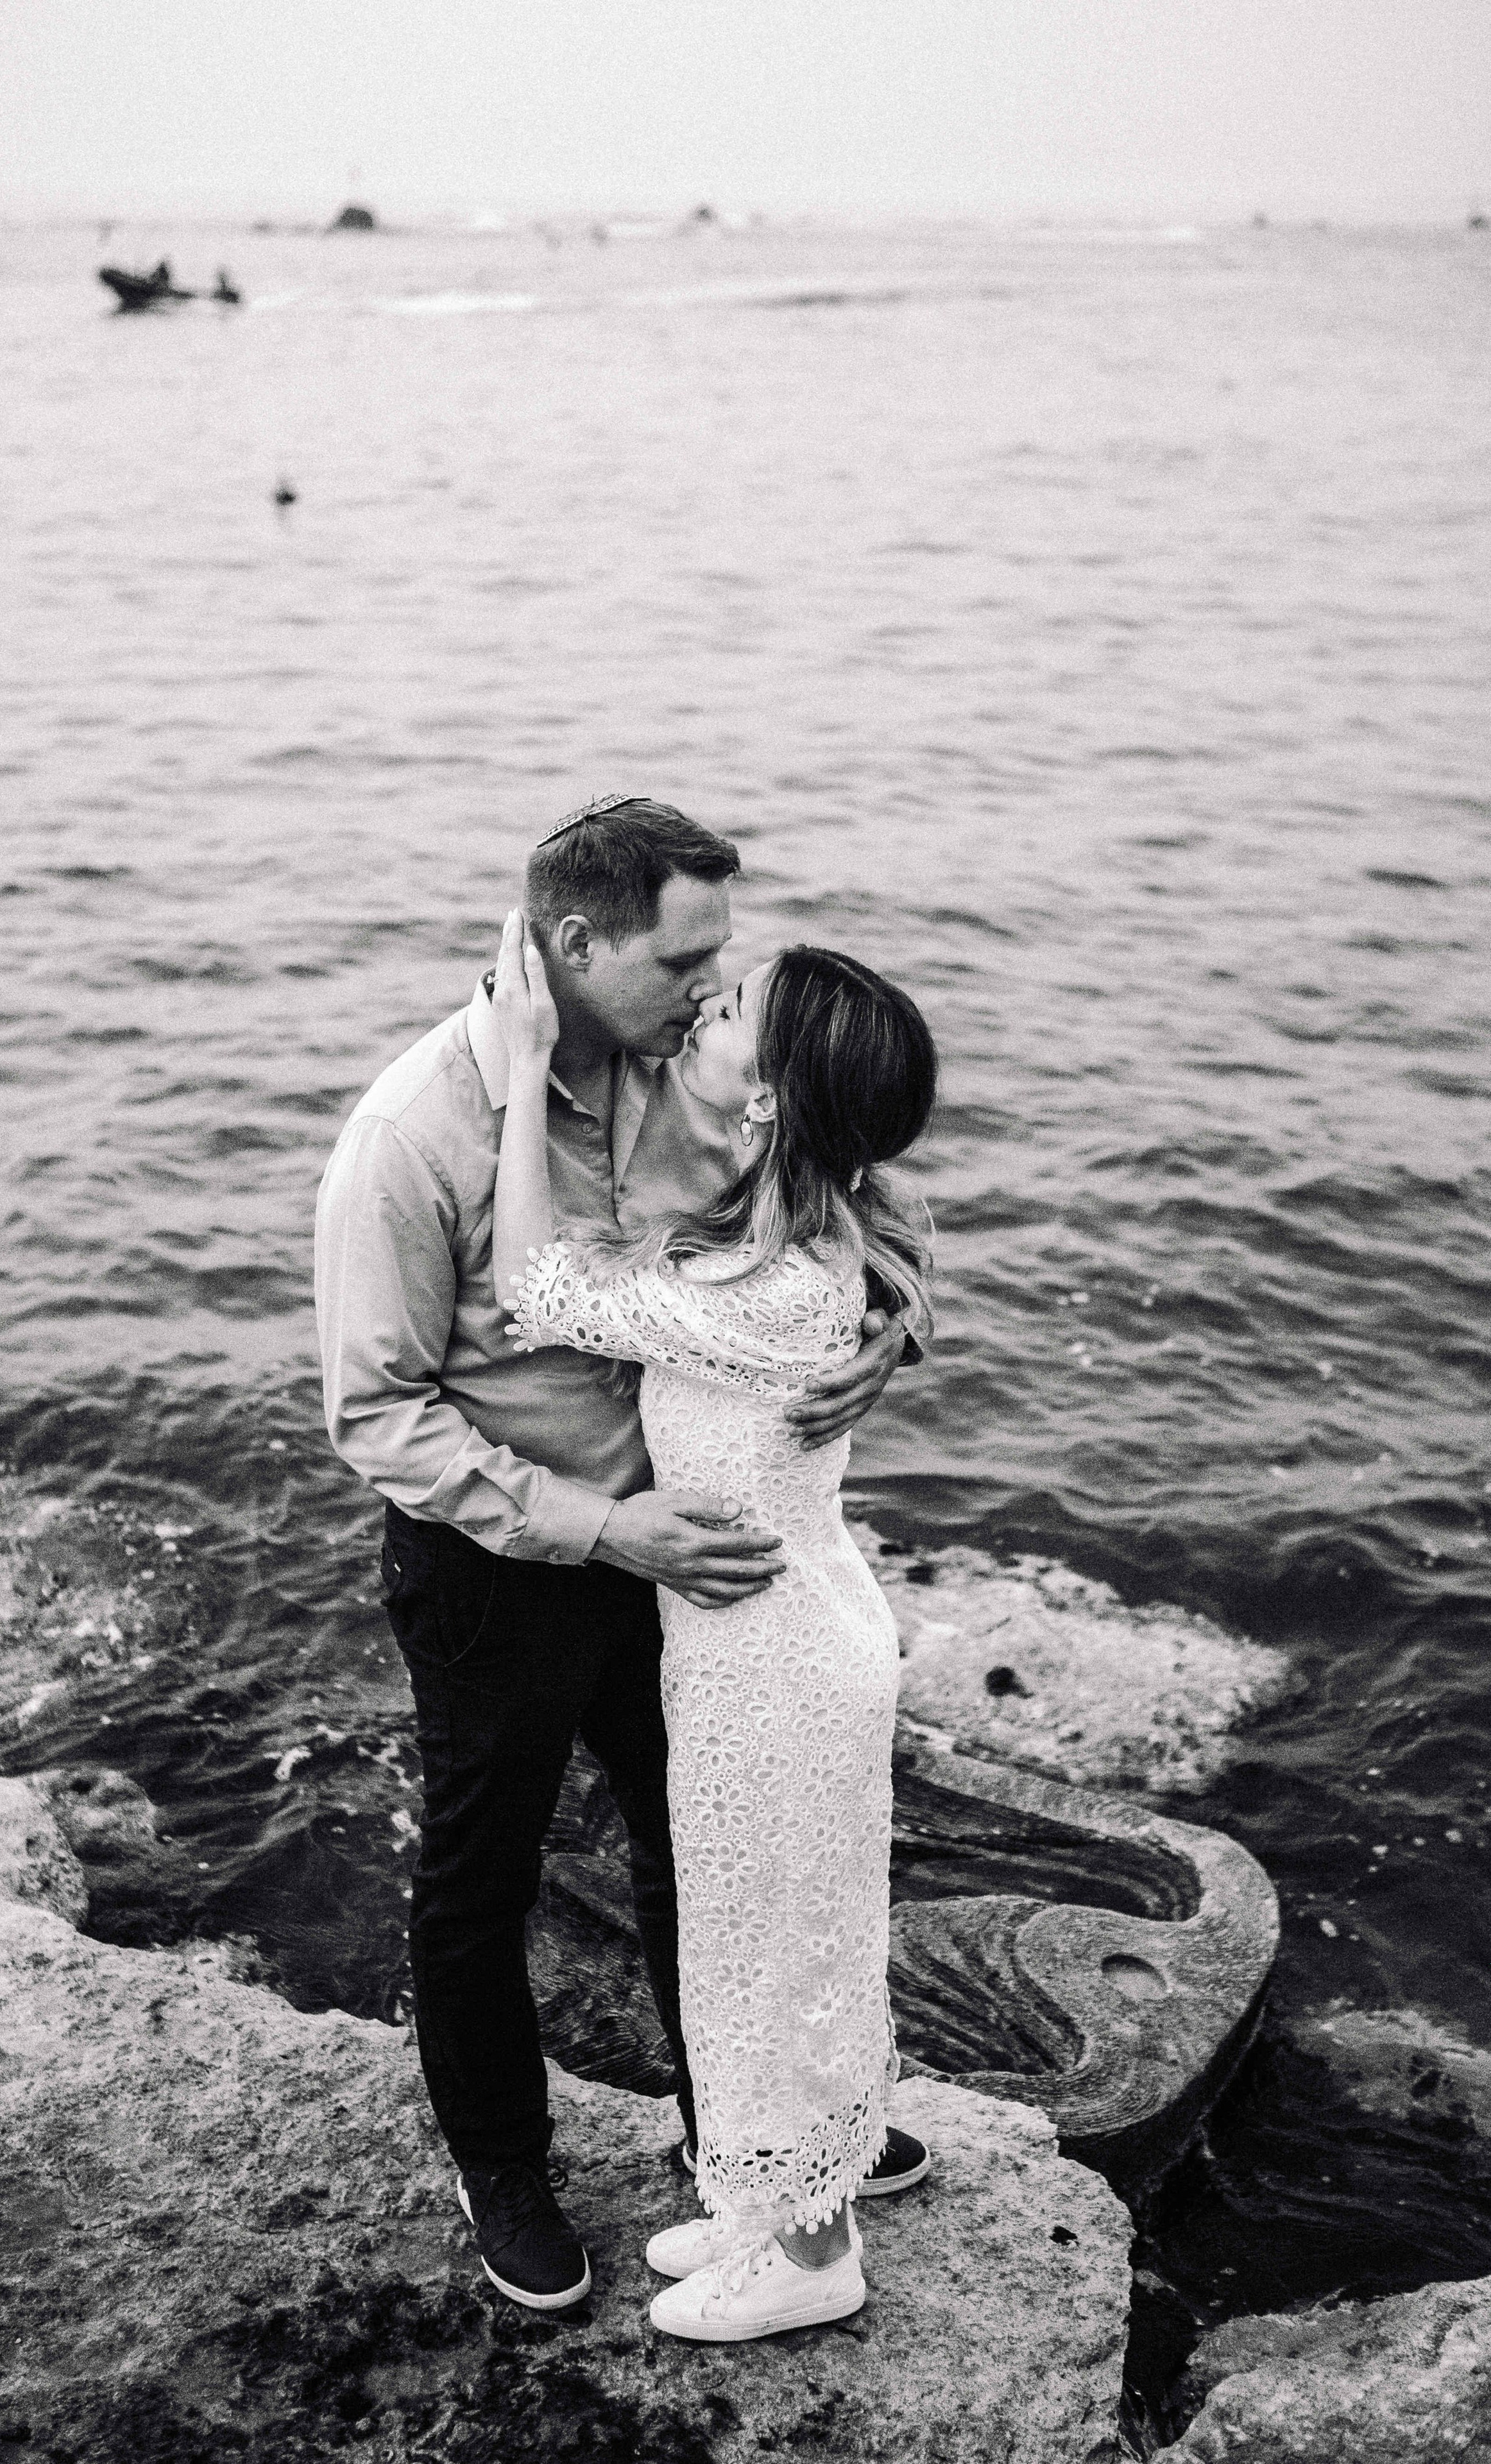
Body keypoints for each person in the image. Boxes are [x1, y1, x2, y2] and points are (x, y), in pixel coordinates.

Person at [314, 796, 923, 2316]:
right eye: (686, 962)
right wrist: (597, 1524)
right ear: (573, 945)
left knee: (698, 1856)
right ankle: (501, 2165)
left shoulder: (692, 1072)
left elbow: (854, 1180)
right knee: (483, 1872)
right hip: (505, 1562)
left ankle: (760, 2151)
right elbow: (374, 1413)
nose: (714, 992)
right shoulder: (410, 1135)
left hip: (690, 1566)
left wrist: (891, 1329)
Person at [489, 910, 936, 2341]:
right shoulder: (804, 1247)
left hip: (776, 1668)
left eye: (733, 1005)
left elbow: (529, 1288)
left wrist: (516, 1082)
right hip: (783, 1642)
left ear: (767, 1099)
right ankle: (772, 2203)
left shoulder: (765, 1293)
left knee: (771, 1950)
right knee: (770, 1935)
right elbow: (876, 1235)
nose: (706, 1006)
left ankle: (812, 2257)